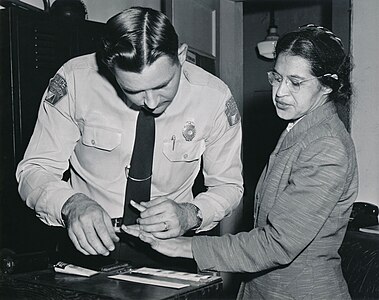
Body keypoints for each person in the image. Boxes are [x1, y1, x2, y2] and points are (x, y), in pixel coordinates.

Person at [124, 24, 359, 299]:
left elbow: (278, 243)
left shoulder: (326, 146)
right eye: (276, 78)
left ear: (327, 86)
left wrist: (183, 246)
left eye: (295, 83)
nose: (280, 92)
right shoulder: (301, 129)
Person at [16, 6, 243, 263]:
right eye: (133, 90)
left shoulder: (214, 97)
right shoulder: (75, 80)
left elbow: (229, 185)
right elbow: (35, 169)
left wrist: (191, 214)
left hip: (172, 250)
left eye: (163, 85)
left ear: (181, 55)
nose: (152, 102)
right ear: (108, 67)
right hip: (87, 249)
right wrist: (70, 204)